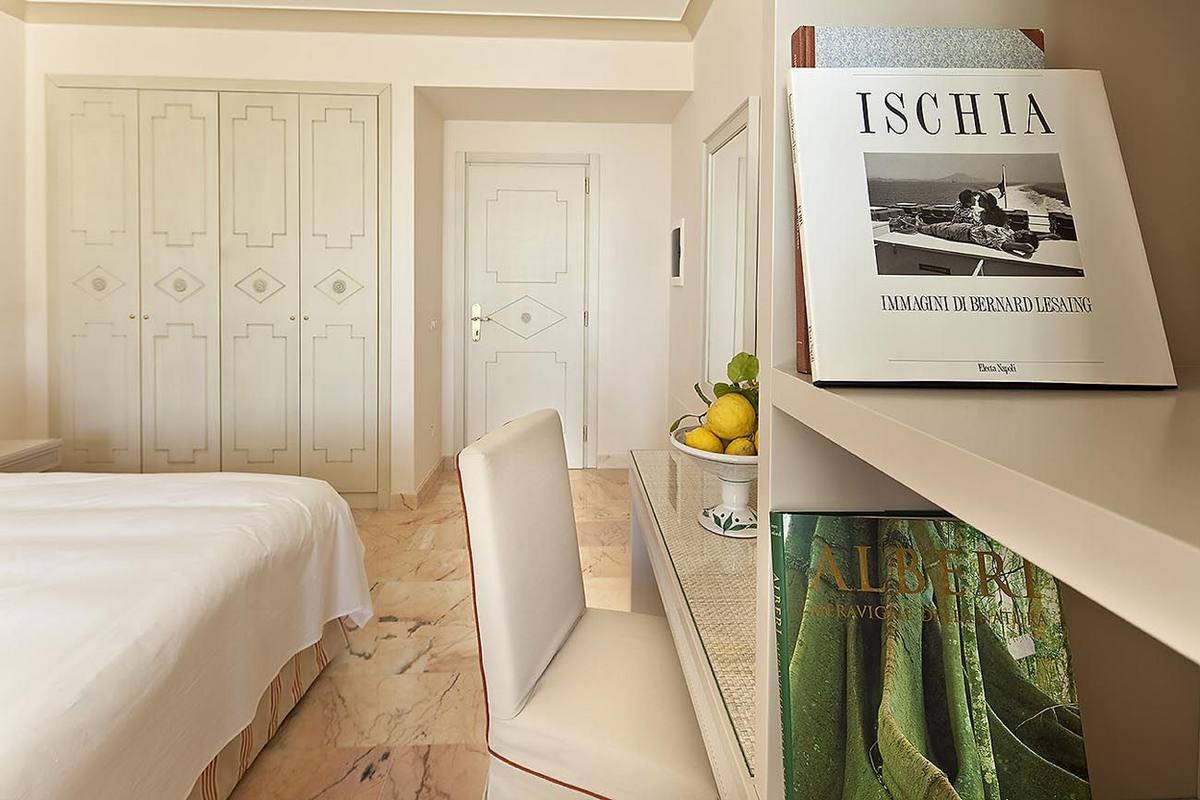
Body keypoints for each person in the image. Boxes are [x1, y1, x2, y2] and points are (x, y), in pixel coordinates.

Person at [889, 214, 1040, 258]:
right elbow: (1035, 238)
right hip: (966, 227)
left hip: (962, 234)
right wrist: (1047, 236)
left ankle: (915, 226)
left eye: (1024, 233)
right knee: (938, 225)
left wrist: (1031, 246)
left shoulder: (1005, 242)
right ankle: (921, 224)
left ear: (1023, 239)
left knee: (934, 229)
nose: (1022, 230)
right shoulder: (1010, 233)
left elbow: (1028, 247)